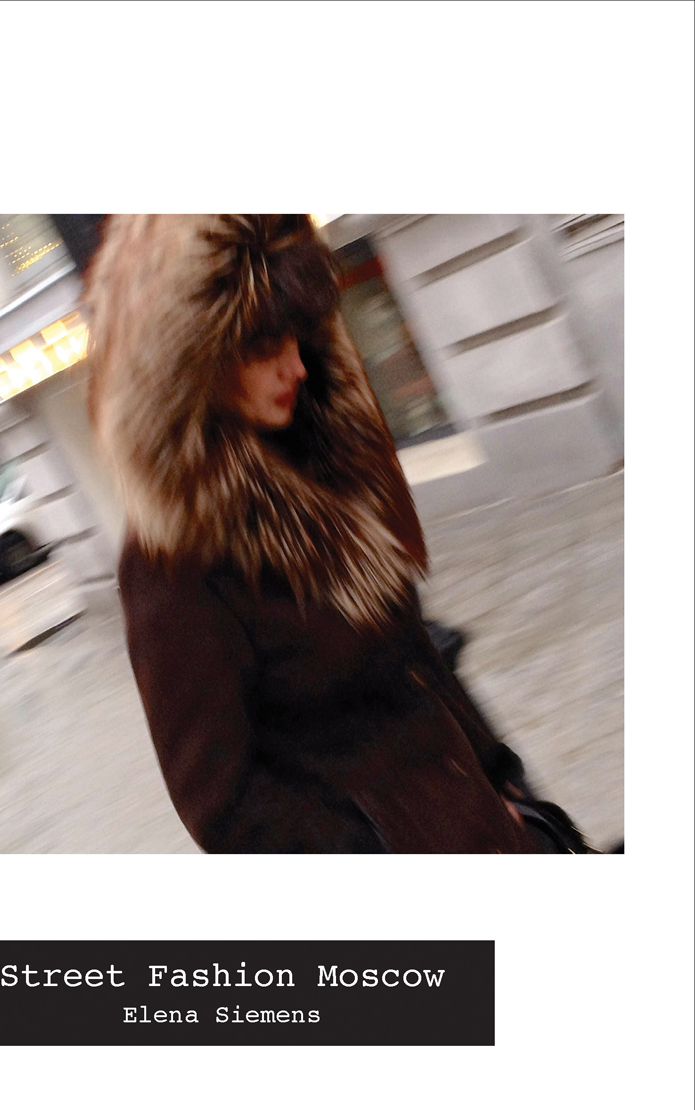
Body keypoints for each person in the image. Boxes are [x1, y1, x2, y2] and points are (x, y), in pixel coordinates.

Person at [85, 215, 544, 855]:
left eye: (297, 338)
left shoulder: (321, 463)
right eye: (264, 347)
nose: (296, 366)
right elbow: (223, 805)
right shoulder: (172, 558)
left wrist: (504, 781)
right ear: (192, 363)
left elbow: (417, 661)